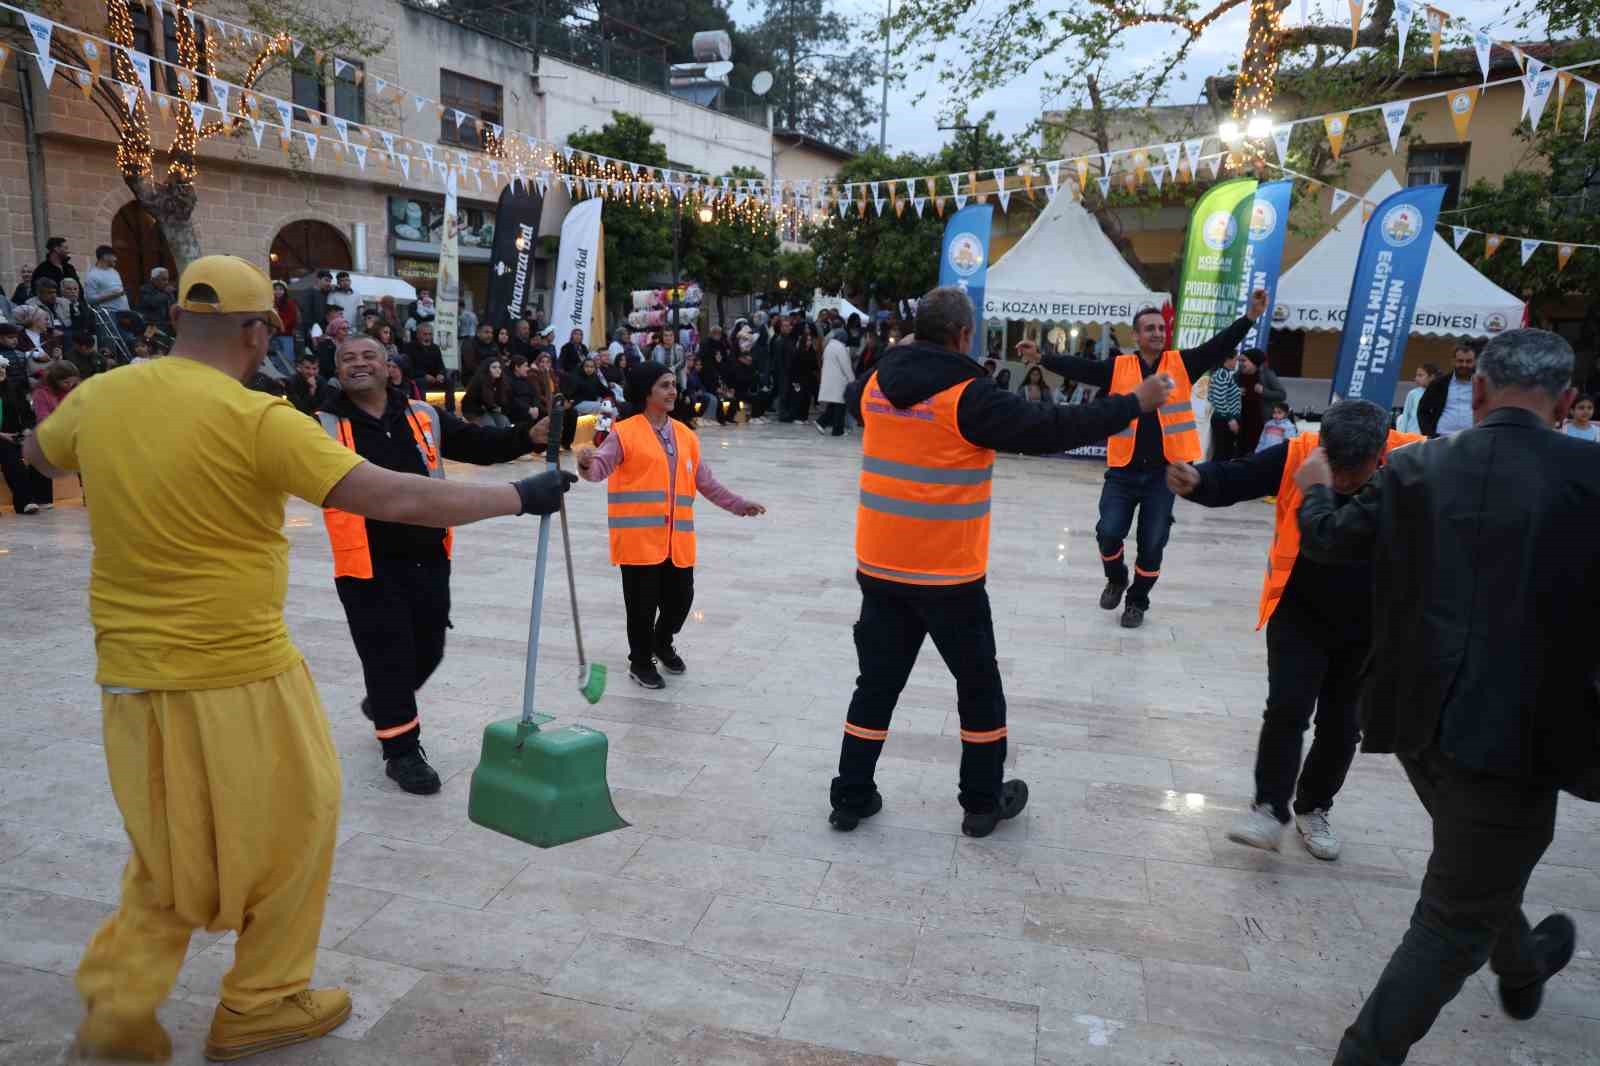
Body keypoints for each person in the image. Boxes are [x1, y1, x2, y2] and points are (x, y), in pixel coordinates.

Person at [22, 255, 574, 1063]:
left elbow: (41, 456)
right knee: (302, 823)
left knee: (169, 851)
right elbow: (391, 494)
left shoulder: (101, 397)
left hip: (130, 673)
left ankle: (115, 1016)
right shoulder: (259, 420)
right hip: (240, 670)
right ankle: (263, 1001)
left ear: (177, 321)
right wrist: (519, 496)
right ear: (255, 333)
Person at [1295, 329, 1597, 1065]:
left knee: (1475, 858)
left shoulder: (1417, 468)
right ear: (1563, 404)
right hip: (1517, 735)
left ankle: (1521, 959)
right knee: (1453, 917)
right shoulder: (1591, 476)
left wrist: (1311, 490)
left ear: (1481, 392)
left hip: (1413, 716)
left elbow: (1331, 538)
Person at [831, 287, 1176, 838]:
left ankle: (850, 798)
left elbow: (852, 396)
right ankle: (982, 803)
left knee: (875, 685)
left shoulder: (873, 385)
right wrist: (1134, 403)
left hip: (880, 566)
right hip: (948, 576)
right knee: (979, 688)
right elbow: (1051, 428)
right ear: (964, 336)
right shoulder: (968, 396)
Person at [1167, 400, 1422, 862]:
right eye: (1335, 469)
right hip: (1299, 613)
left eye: (1354, 471)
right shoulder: (1297, 454)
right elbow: (1237, 477)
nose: (1342, 481)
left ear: (1380, 451)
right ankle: (1269, 808)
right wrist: (1198, 481)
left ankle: (1313, 806)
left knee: (1343, 727)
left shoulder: (1414, 462)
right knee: (1287, 709)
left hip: (1371, 625)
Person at [319, 334, 554, 793]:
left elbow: (477, 444)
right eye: (348, 359)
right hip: (366, 563)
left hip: (428, 555)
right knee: (386, 653)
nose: (359, 364)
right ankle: (402, 750)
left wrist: (527, 436)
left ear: (390, 368)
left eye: (370, 356)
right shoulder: (321, 425)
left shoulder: (421, 414)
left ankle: (388, 701)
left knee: (428, 649)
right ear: (338, 371)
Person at [1019, 289, 1267, 628]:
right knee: (1108, 533)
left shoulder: (1182, 364)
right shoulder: (1119, 366)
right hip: (1123, 471)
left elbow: (1219, 345)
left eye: (1160, 329)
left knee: (1152, 543)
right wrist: (1041, 358)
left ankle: (1137, 602)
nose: (1156, 333)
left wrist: (1250, 316)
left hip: (1165, 475)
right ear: (1136, 335)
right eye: (1149, 328)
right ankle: (1116, 579)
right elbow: (1082, 368)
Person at [577, 361, 764, 689]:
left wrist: (738, 505)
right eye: (664, 385)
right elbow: (598, 470)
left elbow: (705, 481)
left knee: (681, 600)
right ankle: (640, 661)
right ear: (647, 391)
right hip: (638, 540)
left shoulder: (685, 435)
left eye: (673, 385)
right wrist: (585, 464)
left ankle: (661, 642)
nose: (672, 391)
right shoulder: (625, 432)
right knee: (641, 607)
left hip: (676, 541)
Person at [0, 355, 43, 515]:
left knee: (14, 463)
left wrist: (27, 428)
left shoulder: (13, 388)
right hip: (3, 436)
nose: (1, 371)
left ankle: (25, 502)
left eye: (3, 368)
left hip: (12, 437)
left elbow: (27, 413)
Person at [1418, 340, 1479, 437]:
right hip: (1442, 439)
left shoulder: (1482, 385)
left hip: (1472, 439)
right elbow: (1422, 410)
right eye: (1460, 361)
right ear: (1453, 361)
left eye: (1468, 361)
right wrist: (1429, 434)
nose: (1464, 365)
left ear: (1475, 362)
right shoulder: (1438, 384)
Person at [1234, 348, 1284, 453]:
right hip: (1242, 421)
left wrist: (1263, 391)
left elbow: (1282, 394)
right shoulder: (1237, 376)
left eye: (1244, 361)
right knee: (1241, 451)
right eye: (1239, 361)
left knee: (1257, 452)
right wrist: (1236, 392)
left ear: (1254, 362)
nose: (1240, 363)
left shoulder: (1267, 375)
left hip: (1260, 421)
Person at [816, 326, 853, 436]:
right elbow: (846, 366)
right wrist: (852, 380)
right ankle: (836, 430)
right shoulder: (840, 348)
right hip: (839, 381)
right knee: (840, 406)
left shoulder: (829, 346)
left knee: (835, 405)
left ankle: (822, 423)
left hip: (831, 380)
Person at [1206, 351, 1242, 459]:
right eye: (1236, 359)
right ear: (1228, 360)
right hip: (1224, 420)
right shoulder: (1222, 374)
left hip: (1224, 419)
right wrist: (1230, 419)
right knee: (1222, 454)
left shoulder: (1223, 373)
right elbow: (1218, 398)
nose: (1237, 362)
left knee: (1224, 453)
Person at [460, 357, 513, 428]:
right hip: (474, 411)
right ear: (486, 369)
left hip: (489, 410)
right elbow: (474, 403)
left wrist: (499, 408)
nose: (498, 370)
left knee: (504, 422)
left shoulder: (501, 382)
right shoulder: (480, 382)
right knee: (490, 426)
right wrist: (492, 408)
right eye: (494, 367)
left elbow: (503, 402)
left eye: (499, 367)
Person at [83, 245, 130, 316]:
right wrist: (112, 295)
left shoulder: (114, 272)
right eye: (114, 256)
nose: (116, 259)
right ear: (105, 257)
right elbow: (90, 300)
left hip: (124, 314)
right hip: (108, 316)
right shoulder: (92, 275)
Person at [1396, 363, 1439, 434]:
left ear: (1431, 377)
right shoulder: (1413, 394)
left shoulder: (1439, 394)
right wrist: (1401, 434)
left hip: (1428, 436)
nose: (1416, 378)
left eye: (1420, 375)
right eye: (1416, 375)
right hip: (1412, 434)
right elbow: (1406, 415)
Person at [405, 321, 447, 393]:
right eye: (425, 334)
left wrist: (441, 374)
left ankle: (450, 404)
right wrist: (424, 375)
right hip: (418, 378)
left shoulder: (435, 348)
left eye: (430, 334)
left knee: (449, 380)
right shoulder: (409, 347)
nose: (428, 337)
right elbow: (409, 369)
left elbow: (441, 366)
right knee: (420, 382)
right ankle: (422, 404)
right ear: (417, 335)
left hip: (434, 378)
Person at [268, 282, 299, 378]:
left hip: (286, 336)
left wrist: (277, 327)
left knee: (287, 360)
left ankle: (289, 381)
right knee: (274, 360)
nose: (278, 291)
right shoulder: (269, 302)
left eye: (280, 289)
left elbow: (291, 319)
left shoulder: (290, 303)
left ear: (284, 291)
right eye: (275, 289)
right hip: (271, 336)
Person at [287, 351, 329, 418]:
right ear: (299, 368)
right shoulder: (292, 382)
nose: (311, 372)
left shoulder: (322, 382)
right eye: (307, 368)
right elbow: (299, 408)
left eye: (314, 369)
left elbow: (324, 405)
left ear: (318, 369)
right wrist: (311, 391)